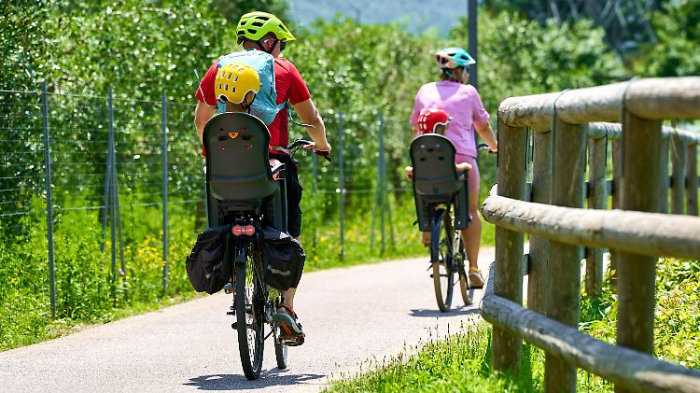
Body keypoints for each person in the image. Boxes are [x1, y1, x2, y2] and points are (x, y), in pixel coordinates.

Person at [194, 11, 331, 343]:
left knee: (222, 213)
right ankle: (286, 305)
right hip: (272, 166)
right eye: (279, 44)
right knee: (289, 229)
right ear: (269, 42)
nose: (280, 51)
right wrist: (322, 144)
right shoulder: (283, 70)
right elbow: (310, 117)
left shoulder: (218, 68)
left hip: (224, 168)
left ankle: (228, 270)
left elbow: (202, 120)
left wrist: (213, 152)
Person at [409, 47, 497, 288]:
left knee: (427, 189)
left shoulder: (425, 90)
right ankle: (474, 268)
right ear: (459, 71)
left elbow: (416, 129)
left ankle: (428, 228)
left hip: (425, 161)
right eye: (466, 70)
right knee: (470, 211)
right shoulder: (468, 92)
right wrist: (496, 146)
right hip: (462, 163)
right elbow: (483, 127)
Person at [404, 107, 473, 181]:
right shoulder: (444, 146)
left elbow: (421, 170)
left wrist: (408, 169)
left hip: (424, 190)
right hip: (447, 189)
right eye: (445, 127)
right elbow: (453, 168)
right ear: (438, 128)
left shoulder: (419, 148)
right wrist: (465, 166)